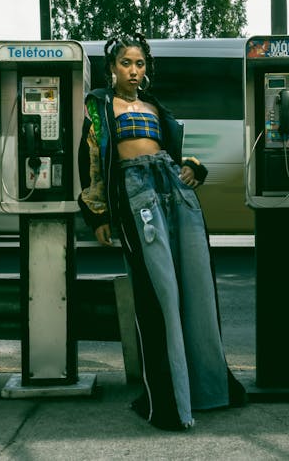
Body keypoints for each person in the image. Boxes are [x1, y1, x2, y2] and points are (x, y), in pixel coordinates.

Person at [77, 33, 246, 430]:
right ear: (111, 68)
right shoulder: (99, 105)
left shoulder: (156, 106)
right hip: (135, 193)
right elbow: (92, 161)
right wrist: (98, 214)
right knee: (159, 292)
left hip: (173, 191)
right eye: (125, 63)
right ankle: (168, 398)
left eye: (139, 64)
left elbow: (173, 151)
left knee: (196, 286)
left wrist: (193, 167)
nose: (133, 71)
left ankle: (209, 388)